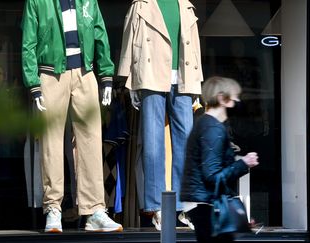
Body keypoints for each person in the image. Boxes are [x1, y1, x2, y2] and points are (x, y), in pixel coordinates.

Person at [21, 0, 122, 232]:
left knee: (91, 139)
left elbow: (100, 32)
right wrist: (33, 83)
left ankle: (95, 209)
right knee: (51, 141)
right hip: (50, 73)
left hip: (85, 73)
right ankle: (53, 208)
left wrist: (106, 74)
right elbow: (28, 42)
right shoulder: (37, 2)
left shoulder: (89, 1)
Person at [118, 0, 203, 230]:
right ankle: (156, 206)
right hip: (150, 75)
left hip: (183, 78)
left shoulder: (185, 5)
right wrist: (130, 81)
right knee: (153, 142)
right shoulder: (141, 5)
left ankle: (184, 205)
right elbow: (129, 40)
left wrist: (197, 83)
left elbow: (193, 46)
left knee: (185, 141)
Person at [180, 76, 259, 243]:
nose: (237, 103)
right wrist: (243, 164)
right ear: (222, 98)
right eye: (234, 98)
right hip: (208, 208)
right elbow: (213, 175)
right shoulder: (212, 129)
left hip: (207, 206)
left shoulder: (205, 124)